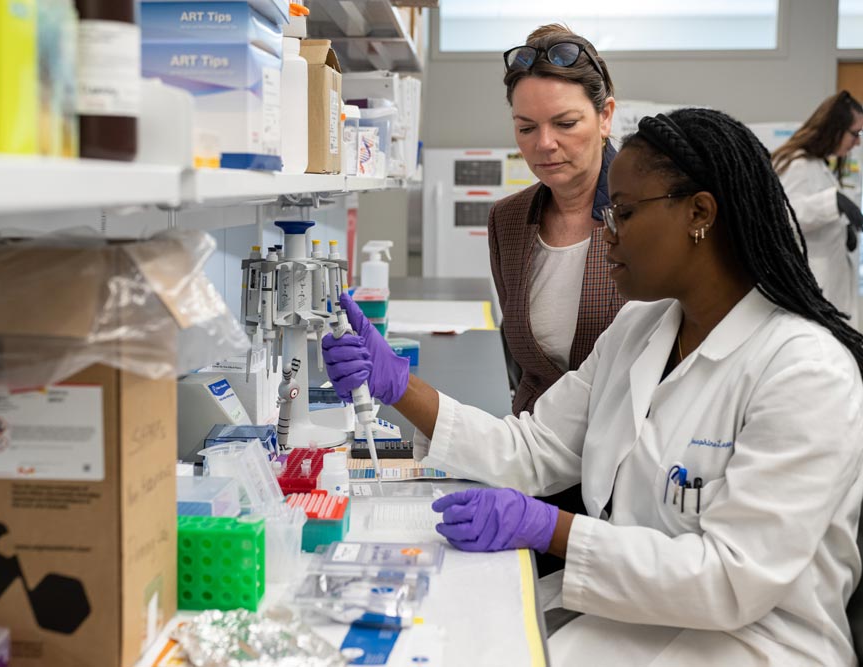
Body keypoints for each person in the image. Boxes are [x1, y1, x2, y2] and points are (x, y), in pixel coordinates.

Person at [323, 108, 863, 665]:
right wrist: (398, 385)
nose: (606, 232)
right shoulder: (639, 330)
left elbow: (729, 580)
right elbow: (532, 449)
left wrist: (551, 529)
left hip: (753, 645)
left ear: (700, 213)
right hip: (634, 619)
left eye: (624, 212)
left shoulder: (805, 371)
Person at [492, 25, 627, 572]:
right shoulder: (509, 221)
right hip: (539, 466)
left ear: (606, 115)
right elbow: (526, 361)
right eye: (526, 128)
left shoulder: (648, 212)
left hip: (631, 477)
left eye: (565, 123)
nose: (543, 144)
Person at [773, 90, 863, 327]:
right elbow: (782, 218)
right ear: (834, 129)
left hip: (828, 285)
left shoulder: (819, 165)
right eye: (854, 133)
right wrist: (832, 202)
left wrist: (844, 232)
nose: (858, 142)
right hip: (811, 287)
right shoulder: (798, 164)